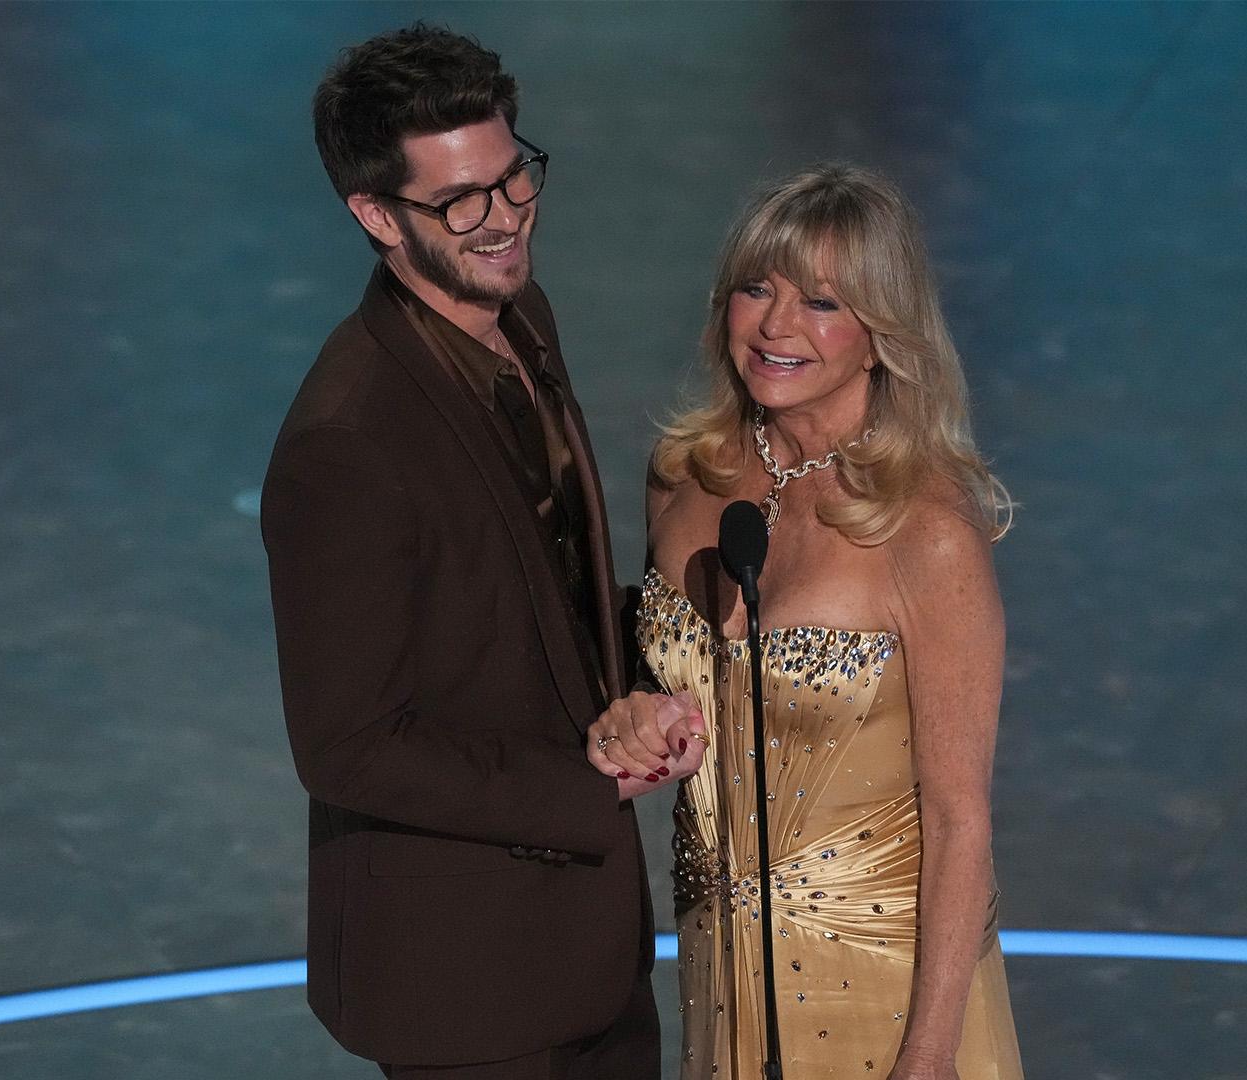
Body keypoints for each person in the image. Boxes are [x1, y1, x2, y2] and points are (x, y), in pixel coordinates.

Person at [262, 24, 703, 1080]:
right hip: (469, 994)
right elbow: (349, 747)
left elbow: (538, 583)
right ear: (375, 215)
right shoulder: (347, 444)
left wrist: (657, 664)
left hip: (591, 956)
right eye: (462, 202)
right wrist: (589, 783)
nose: (504, 221)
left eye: (513, 179)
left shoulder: (517, 312)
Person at [587, 165, 1025, 1080]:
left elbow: (958, 818)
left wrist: (932, 1054)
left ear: (881, 338)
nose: (777, 326)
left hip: (885, 994)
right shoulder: (682, 477)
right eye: (758, 288)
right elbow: (677, 692)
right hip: (722, 982)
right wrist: (636, 714)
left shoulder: (927, 531)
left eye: (822, 302)